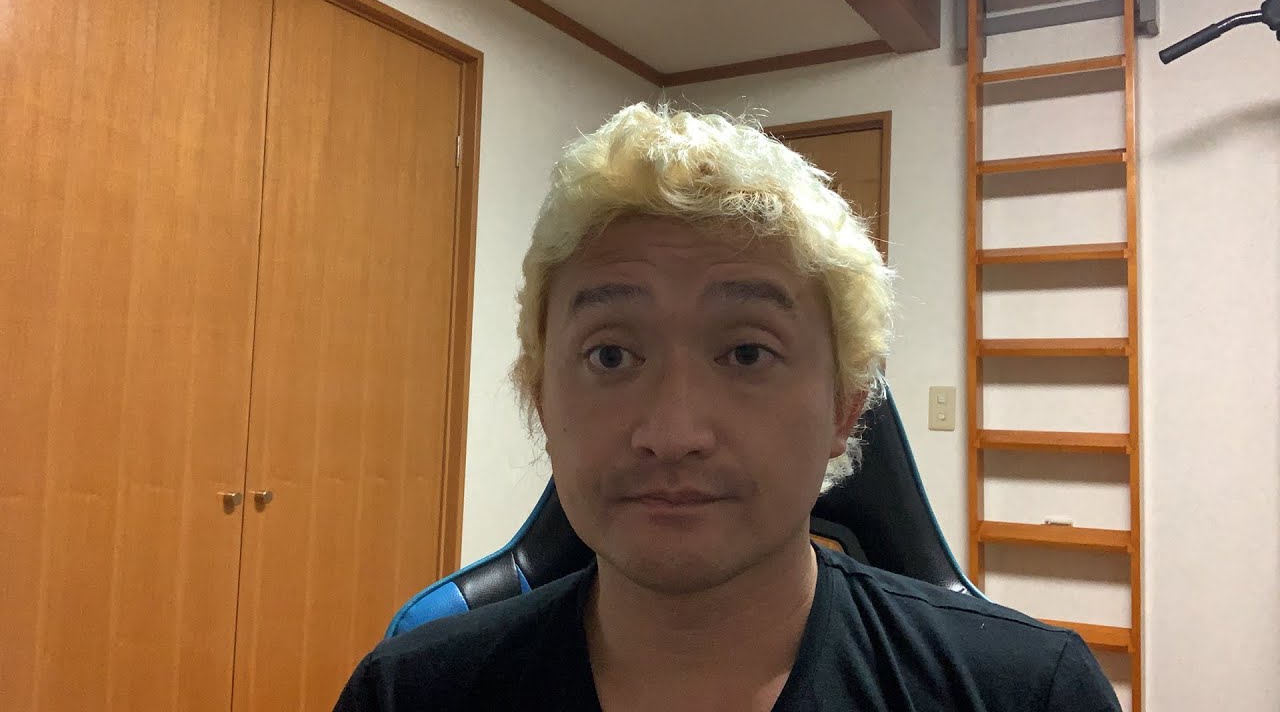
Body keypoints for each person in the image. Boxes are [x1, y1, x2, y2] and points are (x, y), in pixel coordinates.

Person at [334, 103, 1121, 711]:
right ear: (541, 397)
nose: (672, 434)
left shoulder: (1027, 694)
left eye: (747, 352)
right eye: (611, 355)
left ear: (845, 406)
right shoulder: (408, 695)